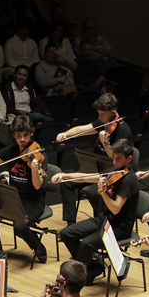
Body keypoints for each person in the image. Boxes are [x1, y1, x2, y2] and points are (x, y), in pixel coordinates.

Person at [54, 139, 139, 284]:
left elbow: (116, 208)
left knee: (87, 244)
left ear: (129, 159)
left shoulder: (129, 180)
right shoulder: (113, 173)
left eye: (119, 159)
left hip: (119, 227)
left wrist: (103, 193)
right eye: (113, 158)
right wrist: (65, 175)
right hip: (104, 220)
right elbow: (86, 177)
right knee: (66, 233)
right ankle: (93, 267)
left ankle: (72, 281)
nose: (114, 162)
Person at [0, 115, 48, 260]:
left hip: (33, 201)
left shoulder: (38, 156)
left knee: (20, 227)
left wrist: (34, 169)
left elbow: (38, 186)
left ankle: (38, 246)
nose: (22, 139)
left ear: (31, 134)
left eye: (25, 135)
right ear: (14, 136)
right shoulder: (11, 151)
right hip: (14, 198)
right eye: (19, 136)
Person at [54, 93, 133, 225]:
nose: (99, 116)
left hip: (114, 170)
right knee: (67, 182)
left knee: (93, 191)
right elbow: (84, 129)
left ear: (113, 112)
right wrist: (66, 134)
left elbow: (114, 158)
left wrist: (105, 143)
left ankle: (101, 223)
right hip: (96, 166)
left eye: (102, 114)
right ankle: (70, 225)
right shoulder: (103, 122)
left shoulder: (122, 129)